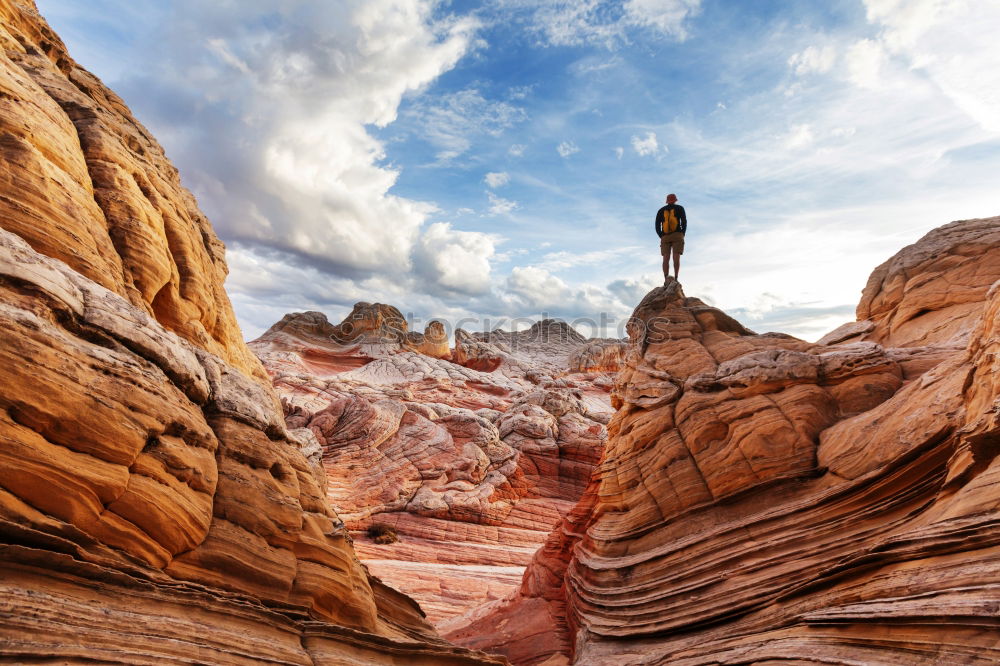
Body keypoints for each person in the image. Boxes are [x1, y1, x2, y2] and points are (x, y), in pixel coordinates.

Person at [654, 193, 687, 281]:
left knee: (666, 258)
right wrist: (682, 233)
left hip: (665, 236)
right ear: (675, 200)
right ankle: (676, 278)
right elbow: (684, 221)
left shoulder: (661, 210)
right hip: (677, 235)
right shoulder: (680, 208)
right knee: (676, 257)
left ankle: (666, 279)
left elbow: (657, 225)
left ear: (667, 201)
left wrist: (661, 235)